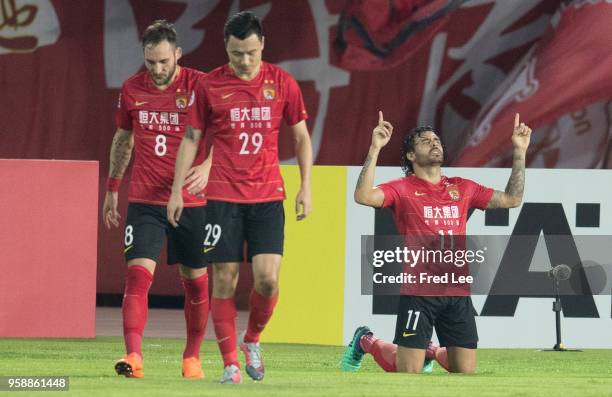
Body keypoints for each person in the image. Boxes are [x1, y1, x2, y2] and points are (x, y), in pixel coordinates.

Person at [168, 11, 312, 384]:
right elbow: (191, 139)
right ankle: (230, 363)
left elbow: (300, 137)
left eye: (250, 52)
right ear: (226, 49)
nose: (244, 61)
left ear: (262, 44)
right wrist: (176, 191)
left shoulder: (283, 83)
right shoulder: (210, 85)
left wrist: (305, 186)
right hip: (223, 197)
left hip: (267, 196)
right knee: (225, 280)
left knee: (267, 280)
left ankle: (252, 339)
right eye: (236, 54)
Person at [341, 111, 531, 373]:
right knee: (408, 372)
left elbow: (512, 199)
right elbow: (363, 196)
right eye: (425, 141)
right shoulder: (402, 187)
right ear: (410, 155)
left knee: (464, 373)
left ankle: (428, 349)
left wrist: (519, 152)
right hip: (419, 294)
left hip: (457, 293)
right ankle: (366, 340)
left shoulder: (462, 187)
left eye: (436, 139)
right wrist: (375, 149)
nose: (434, 143)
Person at [102, 20, 212, 379]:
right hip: (146, 200)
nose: (158, 69)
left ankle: (191, 357)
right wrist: (112, 188)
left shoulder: (200, 85)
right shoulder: (132, 89)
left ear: (178, 54)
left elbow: (228, 131)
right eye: (151, 62)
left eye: (164, 61)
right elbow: (123, 140)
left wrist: (210, 165)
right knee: (136, 277)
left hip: (192, 201)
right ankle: (133, 356)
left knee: (195, 282)